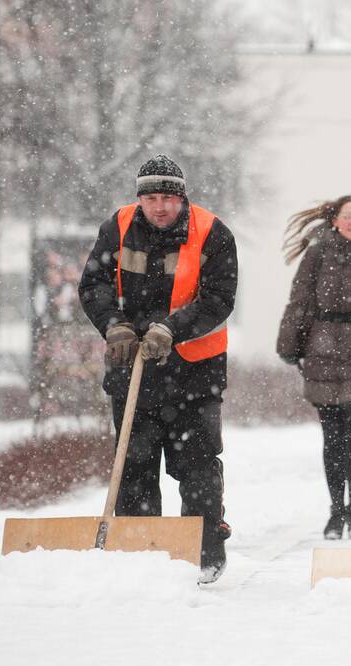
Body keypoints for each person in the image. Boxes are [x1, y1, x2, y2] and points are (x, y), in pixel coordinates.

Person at [78, 154, 237, 583]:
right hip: (132, 372)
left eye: (167, 197)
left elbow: (219, 299)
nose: (160, 206)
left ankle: (205, 550)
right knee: (134, 465)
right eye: (151, 197)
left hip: (194, 372)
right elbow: (92, 285)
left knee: (198, 466)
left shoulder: (212, 233)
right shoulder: (118, 227)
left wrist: (172, 328)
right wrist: (115, 327)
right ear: (140, 198)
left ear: (182, 198)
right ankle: (138, 552)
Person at [276, 196, 351, 541]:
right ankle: (336, 510)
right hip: (322, 348)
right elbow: (301, 299)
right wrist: (290, 345)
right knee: (333, 436)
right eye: (348, 216)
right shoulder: (318, 252)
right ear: (335, 220)